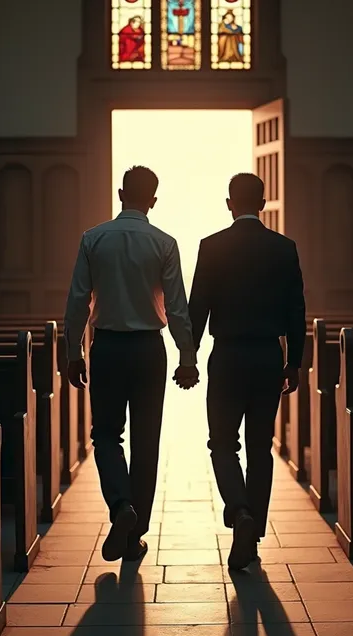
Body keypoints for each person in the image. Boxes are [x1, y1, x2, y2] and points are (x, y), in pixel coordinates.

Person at [64, 166, 199, 563]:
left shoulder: (94, 238)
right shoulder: (164, 242)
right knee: (146, 442)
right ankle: (134, 534)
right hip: (147, 350)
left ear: (120, 193)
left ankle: (121, 505)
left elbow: (77, 302)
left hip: (106, 347)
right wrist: (187, 358)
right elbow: (176, 307)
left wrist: (74, 352)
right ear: (153, 200)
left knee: (106, 434)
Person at [179, 173, 306, 570]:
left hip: (229, 355)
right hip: (269, 356)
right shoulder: (284, 248)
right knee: (259, 446)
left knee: (221, 443)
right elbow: (297, 310)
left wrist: (189, 356)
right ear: (263, 204)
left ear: (230, 203)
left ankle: (239, 511)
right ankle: (253, 535)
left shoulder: (212, 246)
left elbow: (197, 306)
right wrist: (294, 362)